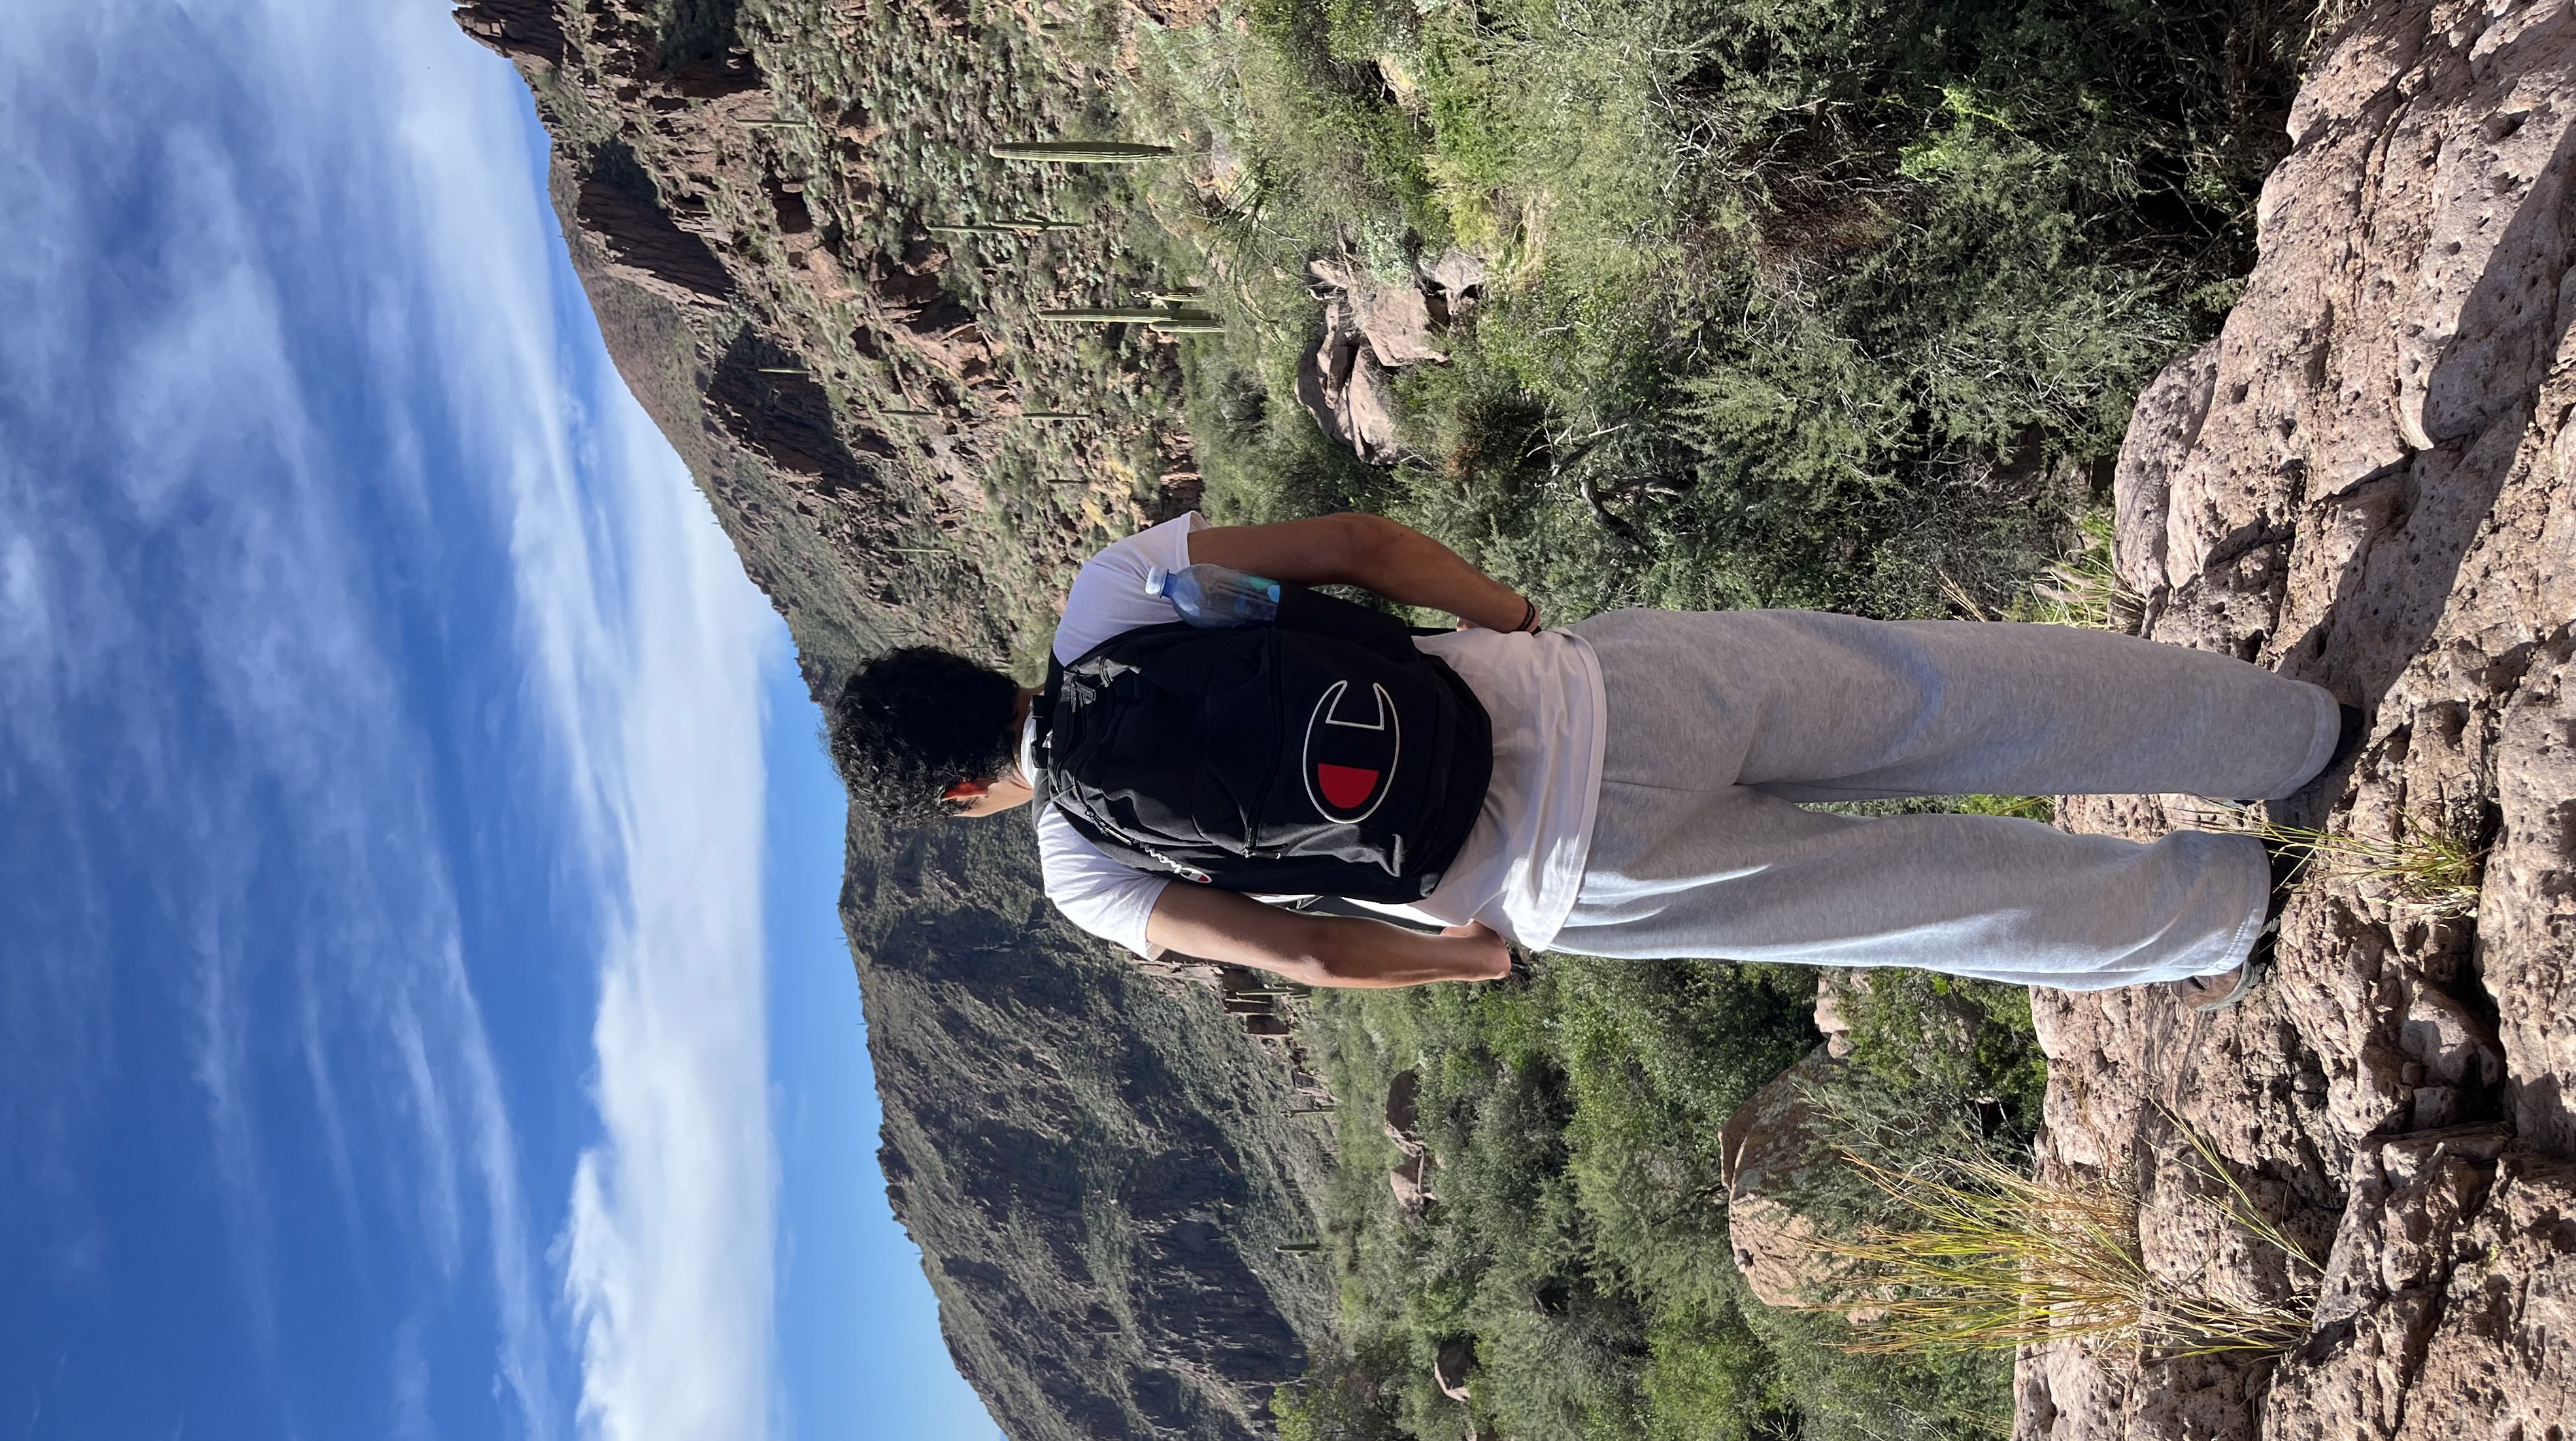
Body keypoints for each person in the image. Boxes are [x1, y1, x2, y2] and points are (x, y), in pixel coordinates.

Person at [826, 510, 2352, 1004]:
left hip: (1570, 878)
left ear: (965, 794)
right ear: (971, 661)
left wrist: (1470, 966)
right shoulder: (1116, 593)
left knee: (1924, 896)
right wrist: (1511, 619)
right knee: (1942, 693)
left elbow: (1306, 955)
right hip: (1602, 690)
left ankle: (2223, 911)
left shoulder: (1086, 870)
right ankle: (2284, 732)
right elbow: (1361, 546)